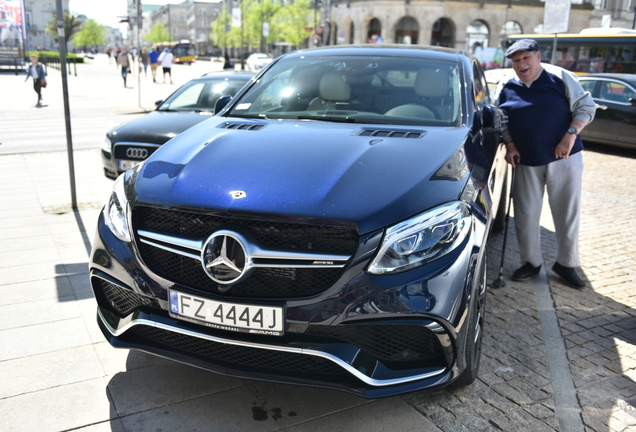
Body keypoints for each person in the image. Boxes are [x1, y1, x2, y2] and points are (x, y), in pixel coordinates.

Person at [495, 39, 596, 289]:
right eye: (516, 60)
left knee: (566, 213)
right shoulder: (506, 85)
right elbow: (500, 118)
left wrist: (570, 134)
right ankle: (531, 262)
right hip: (526, 161)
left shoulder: (560, 76)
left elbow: (586, 106)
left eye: (526, 58)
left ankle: (566, 263)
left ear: (538, 56)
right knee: (525, 214)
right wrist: (510, 144)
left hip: (564, 157)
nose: (521, 64)